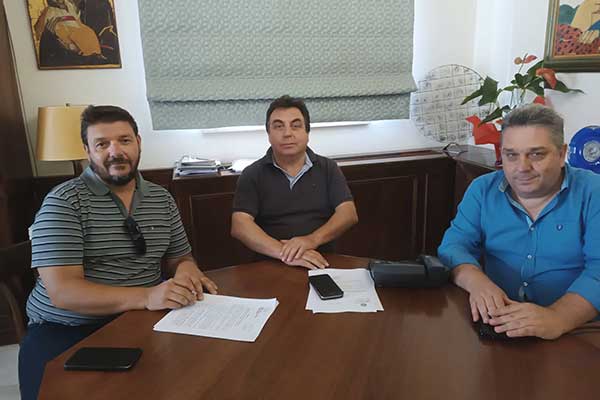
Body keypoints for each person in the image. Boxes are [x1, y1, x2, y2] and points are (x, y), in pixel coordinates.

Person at [18, 105, 218, 400]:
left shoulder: (161, 198)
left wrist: (186, 269)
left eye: (124, 140)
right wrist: (147, 296)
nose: (115, 152)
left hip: (140, 320)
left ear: (138, 142)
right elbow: (63, 292)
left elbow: (179, 257)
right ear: (87, 150)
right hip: (67, 328)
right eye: (102, 144)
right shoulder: (63, 202)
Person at [438, 104, 600, 340]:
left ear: (561, 154)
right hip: (499, 324)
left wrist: (557, 317)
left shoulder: (593, 193)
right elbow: (453, 246)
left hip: (577, 330)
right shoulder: (482, 190)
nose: (522, 167)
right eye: (511, 155)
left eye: (536, 154)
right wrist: (477, 282)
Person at [231, 95, 358, 269]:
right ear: (268, 134)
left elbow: (348, 214)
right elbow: (240, 225)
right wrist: (286, 253)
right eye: (278, 126)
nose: (287, 133)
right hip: (270, 263)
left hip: (322, 260)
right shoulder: (252, 173)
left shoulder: (328, 168)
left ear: (307, 132)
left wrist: (311, 240)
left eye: (296, 125)